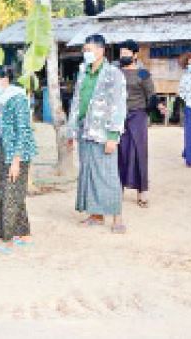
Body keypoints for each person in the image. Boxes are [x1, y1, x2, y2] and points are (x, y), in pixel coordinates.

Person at [67, 34, 128, 234]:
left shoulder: (113, 74)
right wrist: (71, 130)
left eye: (89, 50)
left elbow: (119, 105)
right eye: (84, 50)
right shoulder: (83, 72)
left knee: (107, 174)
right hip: (84, 129)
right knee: (88, 172)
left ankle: (117, 218)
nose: (86, 53)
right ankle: (96, 215)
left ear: (101, 51)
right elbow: (76, 101)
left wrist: (113, 136)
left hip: (103, 132)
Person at [0, 66, 37, 252]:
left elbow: (23, 131)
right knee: (13, 193)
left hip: (17, 154)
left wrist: (16, 161)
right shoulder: (1, 100)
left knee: (10, 196)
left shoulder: (18, 99)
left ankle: (6, 240)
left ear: (5, 79)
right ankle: (24, 234)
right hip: (4, 152)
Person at [116, 40, 166, 208]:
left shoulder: (143, 73)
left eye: (126, 53)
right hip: (118, 116)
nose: (123, 56)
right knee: (119, 151)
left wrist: (159, 106)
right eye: (121, 53)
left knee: (139, 151)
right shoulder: (115, 72)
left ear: (135, 55)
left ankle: (142, 191)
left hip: (138, 115)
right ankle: (118, 189)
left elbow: (151, 94)